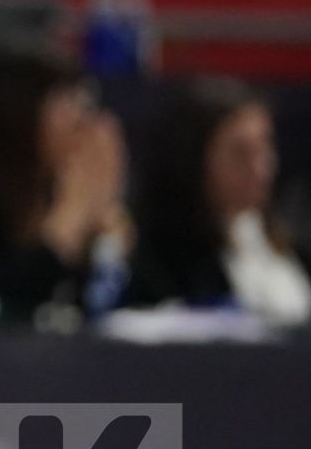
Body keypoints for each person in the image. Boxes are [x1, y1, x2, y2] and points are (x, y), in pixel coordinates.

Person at [0, 48, 130, 321]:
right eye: (65, 101)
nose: (81, 119)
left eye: (83, 101)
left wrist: (109, 240)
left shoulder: (60, 193)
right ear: (16, 112)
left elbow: (148, 303)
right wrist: (65, 230)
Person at [130, 77, 310, 324]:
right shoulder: (162, 264)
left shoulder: (288, 245)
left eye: (264, 145)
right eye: (240, 153)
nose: (261, 168)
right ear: (195, 160)